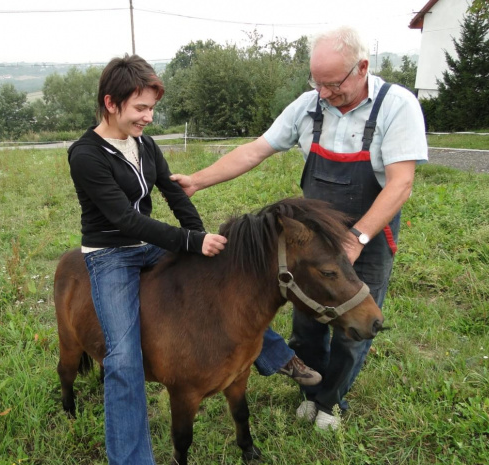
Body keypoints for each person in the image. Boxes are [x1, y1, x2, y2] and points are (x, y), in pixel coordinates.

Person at [171, 26, 428, 431]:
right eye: (317, 83)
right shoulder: (309, 106)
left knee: (353, 327)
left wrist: (357, 237)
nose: (323, 93)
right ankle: (311, 391)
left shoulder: (397, 106)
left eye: (333, 84)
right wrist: (198, 181)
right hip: (312, 239)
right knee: (307, 322)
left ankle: (330, 402)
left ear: (362, 68)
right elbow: (257, 149)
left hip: (369, 237)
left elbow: (401, 183)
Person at [67, 55, 319, 464]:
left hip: (148, 243)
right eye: (141, 109)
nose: (149, 118)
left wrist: (201, 239)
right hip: (110, 255)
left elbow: (173, 193)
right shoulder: (86, 154)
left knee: (227, 277)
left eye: (151, 108)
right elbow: (124, 219)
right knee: (123, 359)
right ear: (111, 103)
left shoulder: (144, 145)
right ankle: (131, 459)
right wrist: (188, 241)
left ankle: (277, 357)